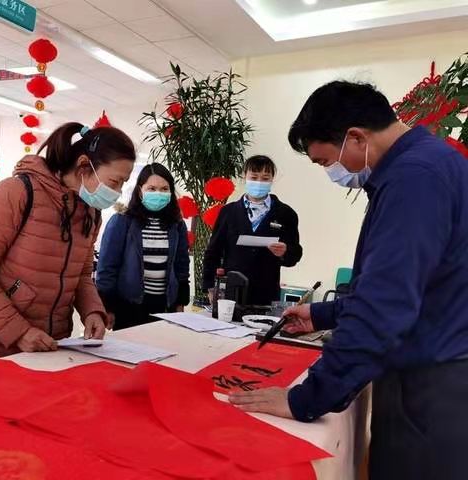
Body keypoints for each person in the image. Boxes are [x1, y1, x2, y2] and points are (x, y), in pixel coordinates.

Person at [228, 81, 468, 480]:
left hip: (431, 387)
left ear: (356, 137)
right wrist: (323, 315)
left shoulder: (414, 179)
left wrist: (306, 399)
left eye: (325, 161)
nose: (332, 173)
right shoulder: (431, 162)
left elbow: (383, 306)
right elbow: (415, 284)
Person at [0, 123, 135, 369]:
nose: (117, 192)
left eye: (122, 183)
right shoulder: (17, 191)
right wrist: (19, 332)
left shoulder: (90, 213)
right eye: (114, 181)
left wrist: (92, 311)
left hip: (48, 348)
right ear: (84, 165)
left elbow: (82, 275)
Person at [96, 163, 190, 330]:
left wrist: (180, 302)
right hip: (129, 307)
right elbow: (107, 267)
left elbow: (182, 266)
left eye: (164, 189)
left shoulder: (177, 225)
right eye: (151, 188)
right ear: (140, 191)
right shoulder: (122, 221)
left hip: (165, 307)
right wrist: (107, 307)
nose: (158, 193)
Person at [203, 155, 302, 306]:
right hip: (232, 290)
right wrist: (210, 286)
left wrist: (285, 252)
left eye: (265, 178)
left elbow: (295, 254)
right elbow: (213, 251)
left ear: (272, 179)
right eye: (254, 177)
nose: (259, 182)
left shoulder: (285, 213)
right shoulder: (229, 212)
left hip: (266, 291)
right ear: (244, 177)